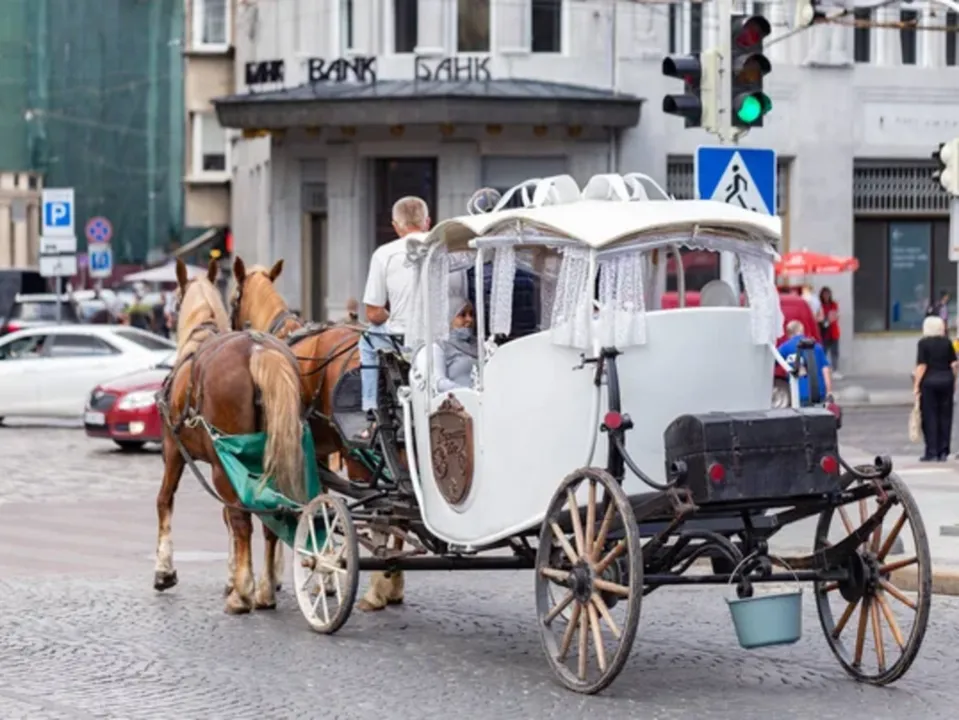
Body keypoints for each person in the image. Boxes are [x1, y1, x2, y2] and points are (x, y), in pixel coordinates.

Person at [357, 196, 432, 441]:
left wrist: (392, 316)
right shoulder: (442, 250)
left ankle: (373, 411)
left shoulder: (385, 254)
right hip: (438, 340)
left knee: (366, 342)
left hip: (402, 340)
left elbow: (373, 313)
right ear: (427, 222)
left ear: (396, 226)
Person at [914, 314, 957, 462]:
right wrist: (954, 380)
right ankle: (944, 451)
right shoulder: (947, 342)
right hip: (947, 380)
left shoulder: (923, 343)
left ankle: (931, 451)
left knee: (930, 416)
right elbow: (954, 364)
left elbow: (922, 366)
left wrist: (916, 386)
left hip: (929, 382)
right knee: (946, 416)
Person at [414, 295, 478, 392]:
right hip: (458, 403)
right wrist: (471, 394)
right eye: (462, 315)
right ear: (448, 318)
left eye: (471, 314)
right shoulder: (437, 347)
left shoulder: (478, 345)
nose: (469, 319)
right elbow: (438, 384)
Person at [777, 320, 833, 406]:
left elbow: (773, 363)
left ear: (788, 333)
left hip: (798, 394)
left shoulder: (785, 348)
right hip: (818, 393)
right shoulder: (817, 347)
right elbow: (825, 370)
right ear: (802, 331)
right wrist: (829, 392)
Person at [818, 287, 841, 379]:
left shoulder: (833, 304)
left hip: (833, 332)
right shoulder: (820, 305)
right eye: (824, 294)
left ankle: (835, 370)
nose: (826, 296)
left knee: (835, 352)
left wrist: (829, 318)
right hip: (824, 333)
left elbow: (834, 315)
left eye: (828, 294)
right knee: (824, 352)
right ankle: (823, 370)